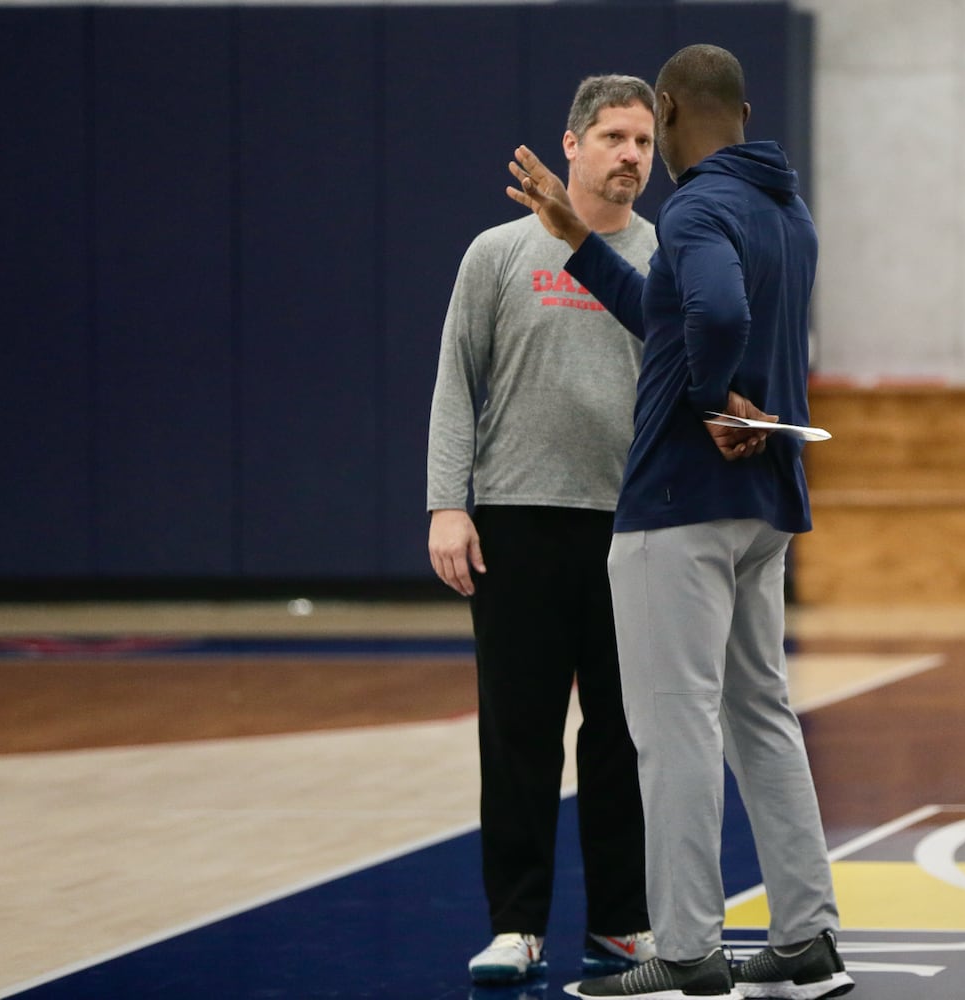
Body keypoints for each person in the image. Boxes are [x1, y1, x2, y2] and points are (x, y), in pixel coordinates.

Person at [506, 44, 853, 1000]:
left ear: (665, 111)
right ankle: (808, 934)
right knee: (760, 715)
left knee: (675, 727)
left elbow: (713, 313)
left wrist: (707, 397)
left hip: (675, 506)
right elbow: (671, 312)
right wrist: (576, 236)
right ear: (742, 111)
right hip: (761, 506)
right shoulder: (786, 208)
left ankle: (691, 949)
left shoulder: (696, 207)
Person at [426, 74, 661, 987]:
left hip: (631, 530)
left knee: (620, 736)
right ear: (571, 146)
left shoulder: (665, 256)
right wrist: (449, 502)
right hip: (516, 524)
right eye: (612, 137)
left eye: (642, 141)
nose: (629, 155)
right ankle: (517, 925)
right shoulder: (496, 253)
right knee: (518, 733)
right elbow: (457, 380)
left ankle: (621, 925)